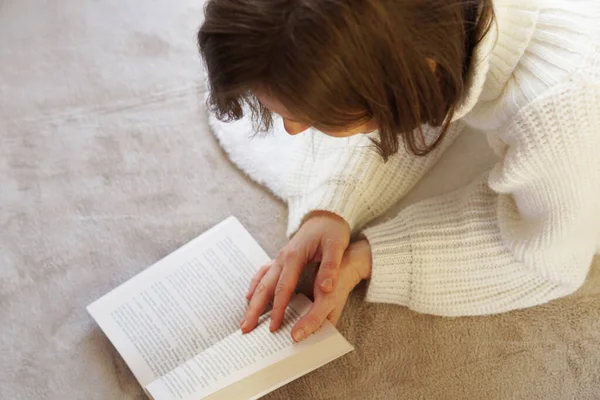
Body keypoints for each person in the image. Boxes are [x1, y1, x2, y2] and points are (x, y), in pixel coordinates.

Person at [198, 0, 600, 343]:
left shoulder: (560, 111)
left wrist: (371, 258)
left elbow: (545, 258)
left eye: (314, 119)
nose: (292, 130)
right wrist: (332, 207)